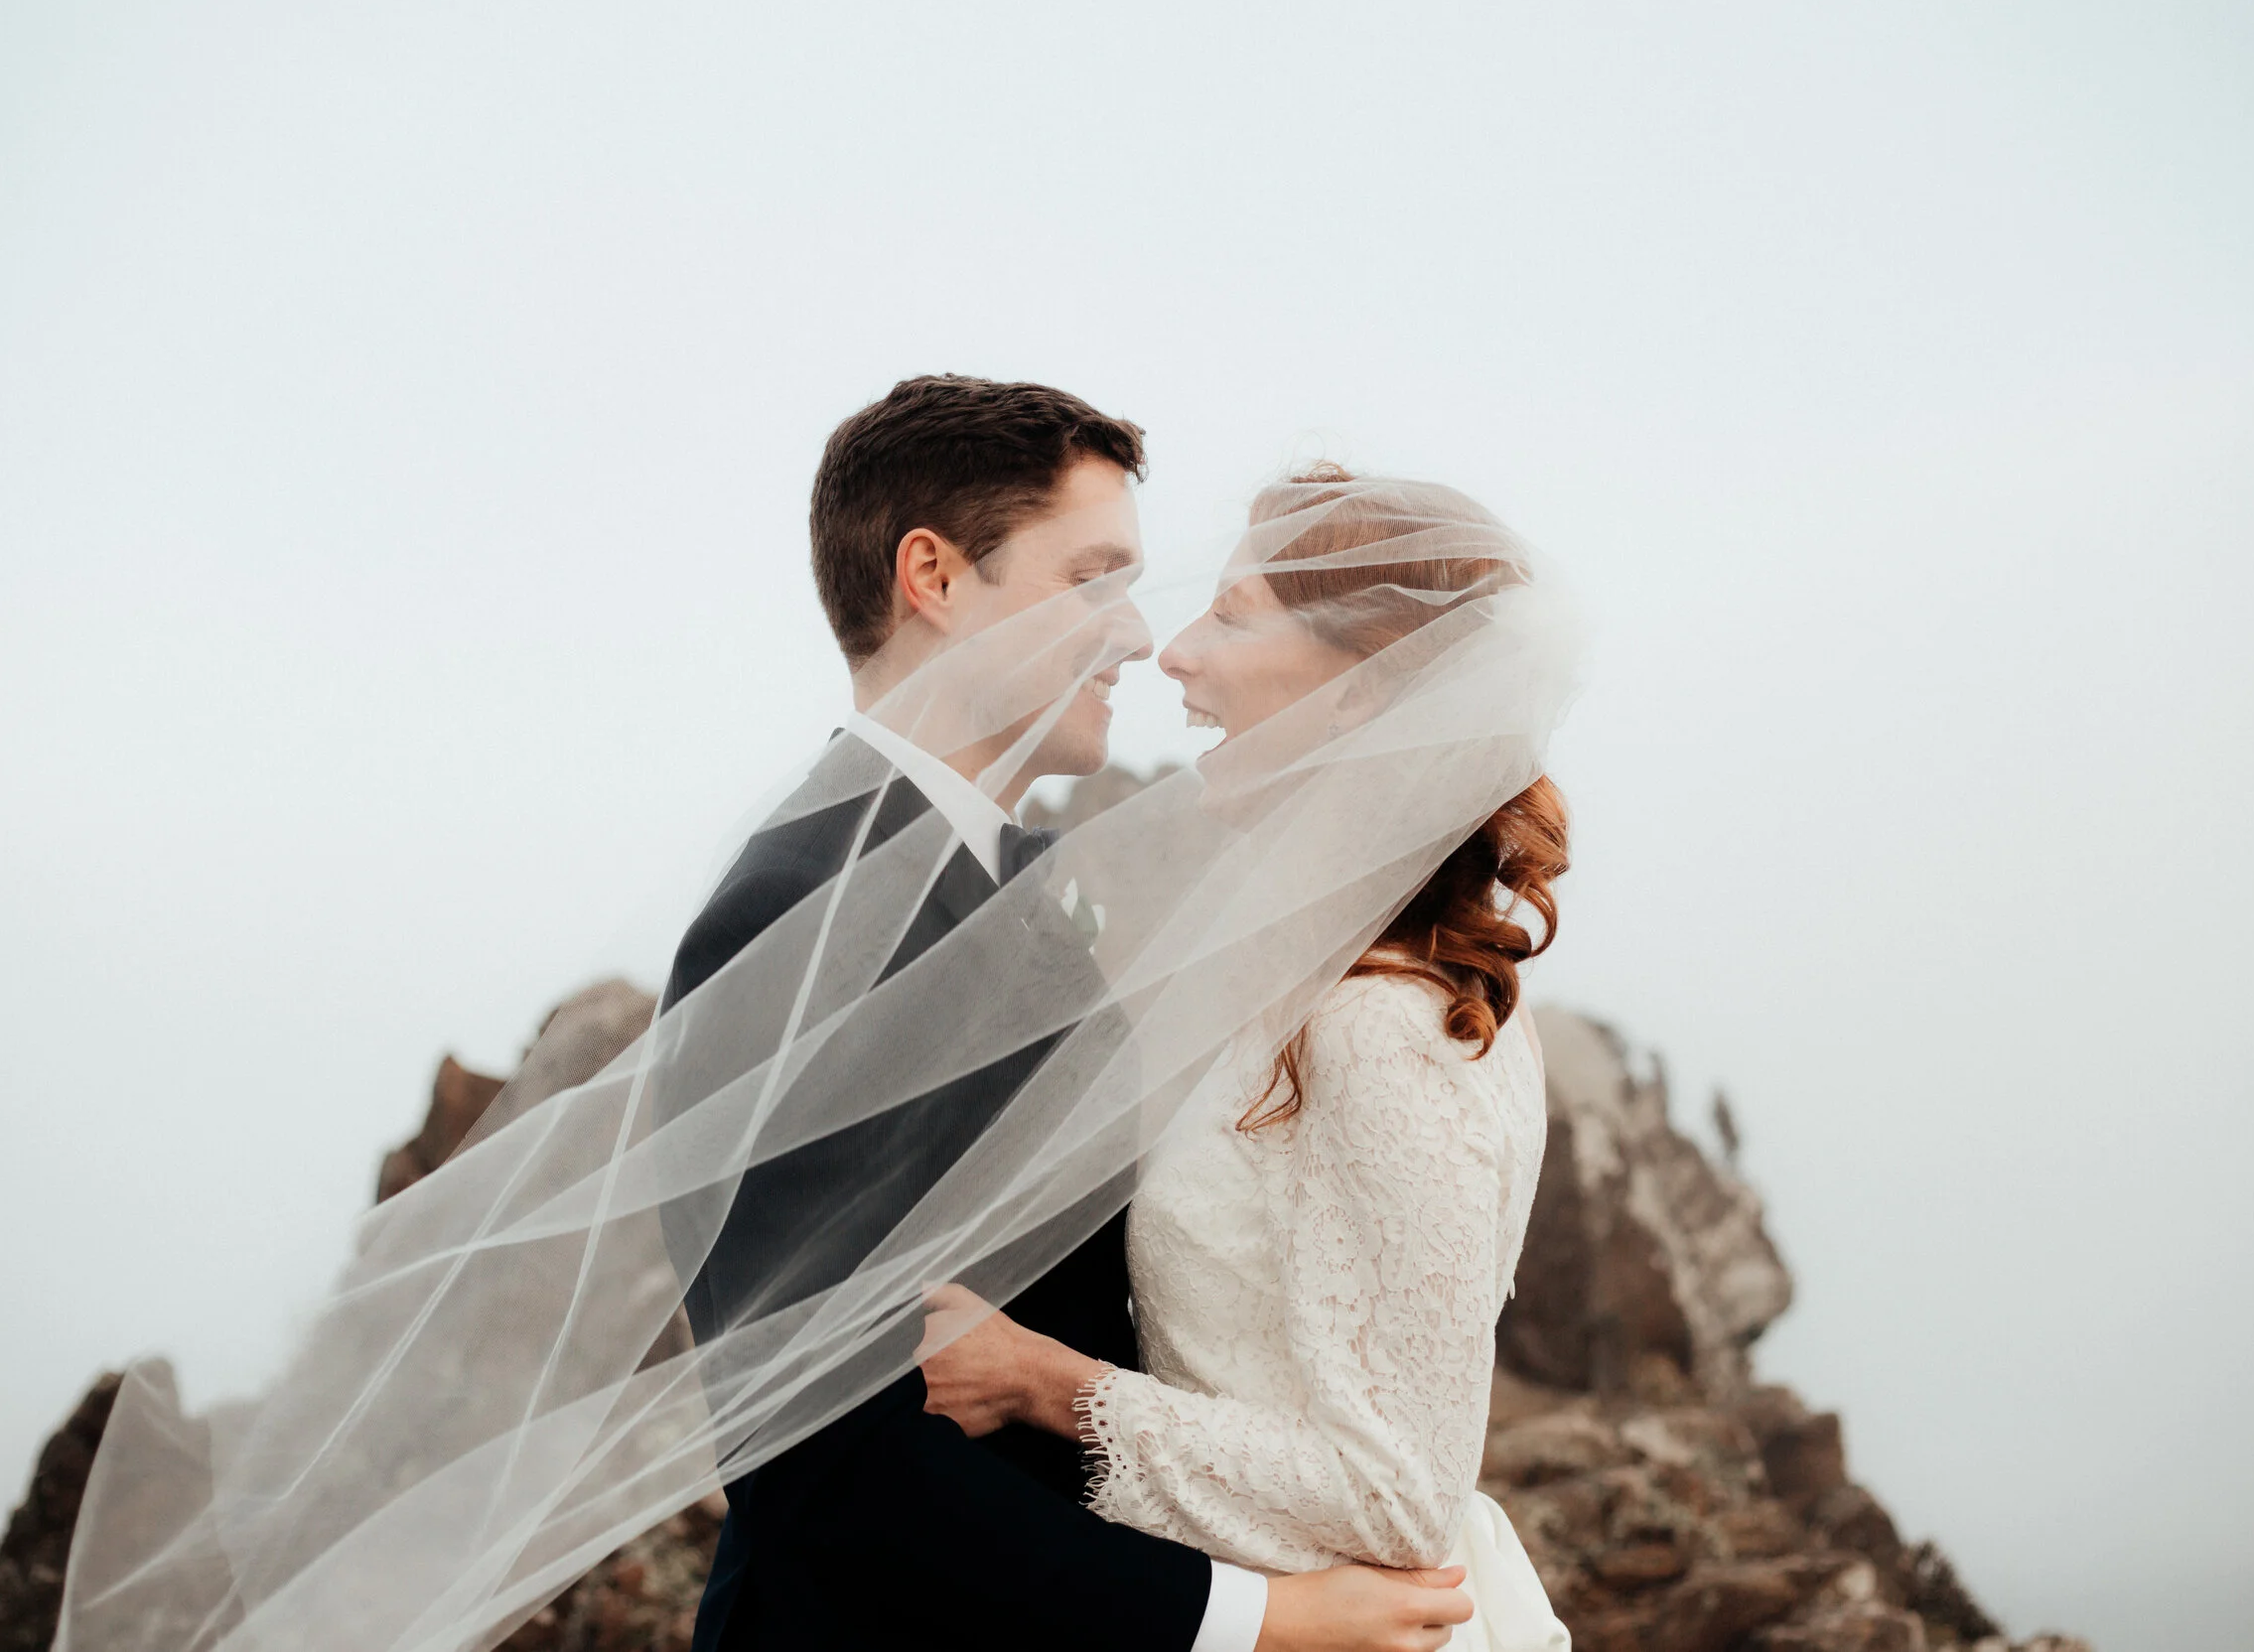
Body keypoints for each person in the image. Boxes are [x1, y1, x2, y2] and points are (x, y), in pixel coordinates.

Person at [664, 382, 1481, 1652]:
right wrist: (1252, 1616)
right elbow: (820, 1461)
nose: (1136, 635)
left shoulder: (1011, 887)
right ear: (933, 575)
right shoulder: (800, 906)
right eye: (1092, 577)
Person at [916, 465, 1576, 1651]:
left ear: (1350, 691)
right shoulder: (1315, 982)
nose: (1174, 654)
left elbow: (1399, 1493)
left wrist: (1040, 1380)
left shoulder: (1384, 1026)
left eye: (1229, 613)